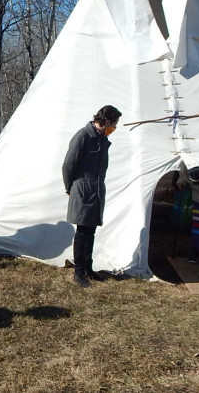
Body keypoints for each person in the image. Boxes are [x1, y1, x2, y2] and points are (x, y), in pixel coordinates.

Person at [62, 105, 122, 287]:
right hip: (83, 188)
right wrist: (70, 188)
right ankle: (79, 273)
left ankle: (88, 269)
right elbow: (68, 165)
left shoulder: (102, 138)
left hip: (96, 189)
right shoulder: (83, 136)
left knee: (90, 231)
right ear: (105, 121)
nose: (114, 128)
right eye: (113, 124)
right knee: (82, 232)